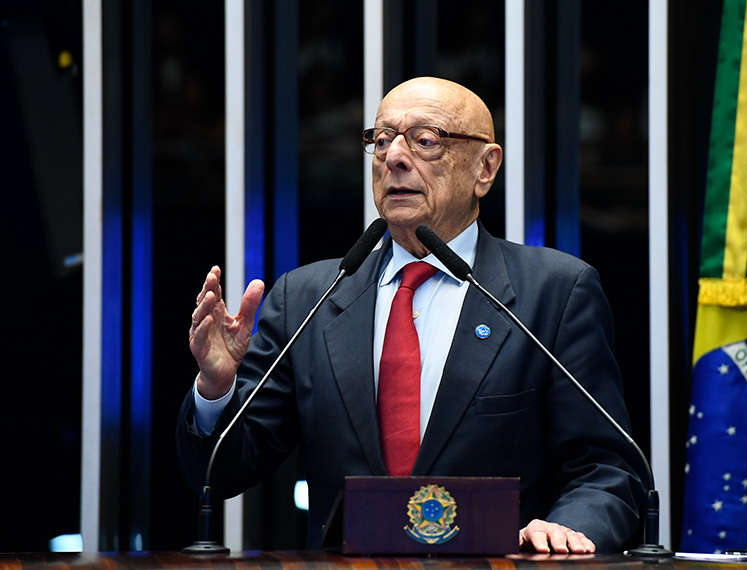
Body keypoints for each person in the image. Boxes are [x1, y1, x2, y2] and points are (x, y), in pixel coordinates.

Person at [178, 77, 646, 554]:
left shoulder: (553, 292)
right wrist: (215, 389)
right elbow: (222, 471)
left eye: (426, 140)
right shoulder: (307, 298)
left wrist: (564, 530)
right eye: (381, 141)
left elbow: (607, 468)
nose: (394, 158)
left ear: (485, 168)